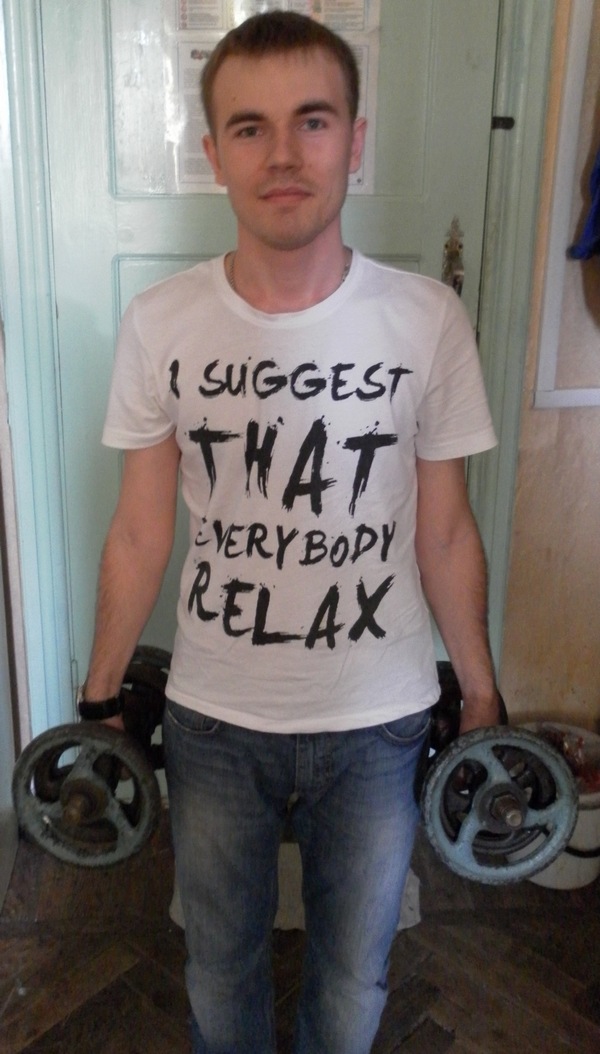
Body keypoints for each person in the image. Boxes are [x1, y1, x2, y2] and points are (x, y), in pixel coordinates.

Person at [79, 11, 501, 1054]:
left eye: (312, 121)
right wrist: (99, 698)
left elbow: (446, 531)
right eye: (250, 127)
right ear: (214, 151)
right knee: (218, 968)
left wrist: (482, 692)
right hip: (214, 719)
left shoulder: (427, 321)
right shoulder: (160, 323)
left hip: (380, 720)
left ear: (355, 140)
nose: (283, 154)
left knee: (354, 976)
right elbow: (138, 531)